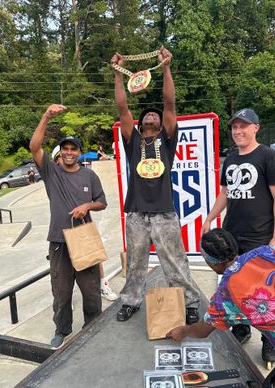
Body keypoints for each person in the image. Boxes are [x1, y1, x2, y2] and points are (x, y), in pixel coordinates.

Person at [167, 228, 275, 388]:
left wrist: (183, 331)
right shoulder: (268, 252)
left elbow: (202, 330)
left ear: (211, 262)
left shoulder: (225, 296)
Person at [111, 47, 201, 324]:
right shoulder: (133, 141)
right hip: (137, 213)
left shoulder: (168, 139)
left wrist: (165, 67)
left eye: (155, 115)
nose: (150, 115)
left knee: (175, 261)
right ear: (139, 126)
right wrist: (116, 74)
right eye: (146, 115)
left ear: (162, 124)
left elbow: (170, 104)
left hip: (164, 212)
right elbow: (123, 107)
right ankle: (131, 301)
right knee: (136, 263)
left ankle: (188, 302)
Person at [201, 108, 275, 363]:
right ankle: (241, 328)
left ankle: (270, 340)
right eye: (235, 127)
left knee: (264, 294)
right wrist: (209, 218)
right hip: (231, 238)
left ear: (255, 128)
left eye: (244, 126)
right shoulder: (230, 160)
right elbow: (225, 194)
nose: (238, 131)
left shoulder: (268, 156)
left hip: (260, 238)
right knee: (234, 288)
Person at [30, 104, 107, 349]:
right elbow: (34, 147)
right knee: (61, 291)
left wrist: (87, 206)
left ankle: (93, 327)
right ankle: (62, 329)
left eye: (74, 149)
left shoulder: (89, 176)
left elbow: (102, 202)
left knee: (91, 291)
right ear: (60, 153)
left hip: (84, 239)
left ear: (80, 153)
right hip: (59, 242)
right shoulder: (51, 172)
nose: (69, 152)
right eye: (65, 149)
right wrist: (46, 116)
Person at [51, 145, 118, 302]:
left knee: (93, 259)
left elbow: (101, 202)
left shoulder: (85, 175)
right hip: (61, 234)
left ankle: (102, 284)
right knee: (63, 277)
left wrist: (87, 206)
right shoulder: (54, 178)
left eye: (70, 153)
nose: (64, 159)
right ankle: (67, 297)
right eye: (59, 157)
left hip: (82, 230)